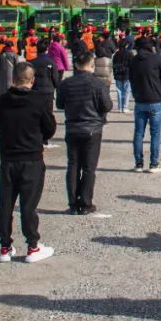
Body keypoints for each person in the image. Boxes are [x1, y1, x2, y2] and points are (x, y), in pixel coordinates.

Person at [0, 62, 56, 263]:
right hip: (31, 158)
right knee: (28, 205)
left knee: (6, 204)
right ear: (32, 80)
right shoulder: (39, 101)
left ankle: (5, 246)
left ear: (13, 79)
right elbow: (49, 128)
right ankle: (32, 246)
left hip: (9, 157)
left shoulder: (1, 101)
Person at [56, 51, 112, 215]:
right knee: (89, 167)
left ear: (75, 64)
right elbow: (106, 106)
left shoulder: (66, 83)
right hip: (92, 129)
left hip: (73, 127)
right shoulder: (99, 84)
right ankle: (86, 202)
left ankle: (73, 203)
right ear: (91, 64)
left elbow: (60, 104)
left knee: (73, 165)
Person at [129, 37, 161, 172]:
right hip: (156, 100)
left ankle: (138, 163)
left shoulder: (134, 61)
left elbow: (131, 80)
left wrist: (135, 95)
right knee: (155, 133)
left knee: (138, 133)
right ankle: (154, 163)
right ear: (150, 47)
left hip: (140, 100)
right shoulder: (158, 59)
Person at [30, 41, 61, 112]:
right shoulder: (51, 62)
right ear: (47, 49)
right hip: (48, 91)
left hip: (35, 90)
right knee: (48, 113)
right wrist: (57, 88)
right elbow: (55, 79)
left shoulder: (31, 62)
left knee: (36, 111)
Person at [112, 41, 134, 113]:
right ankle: (125, 107)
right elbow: (132, 64)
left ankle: (120, 107)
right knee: (127, 91)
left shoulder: (116, 54)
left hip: (118, 73)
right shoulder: (130, 54)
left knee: (119, 91)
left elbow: (114, 64)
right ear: (126, 45)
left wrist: (114, 73)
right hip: (127, 74)